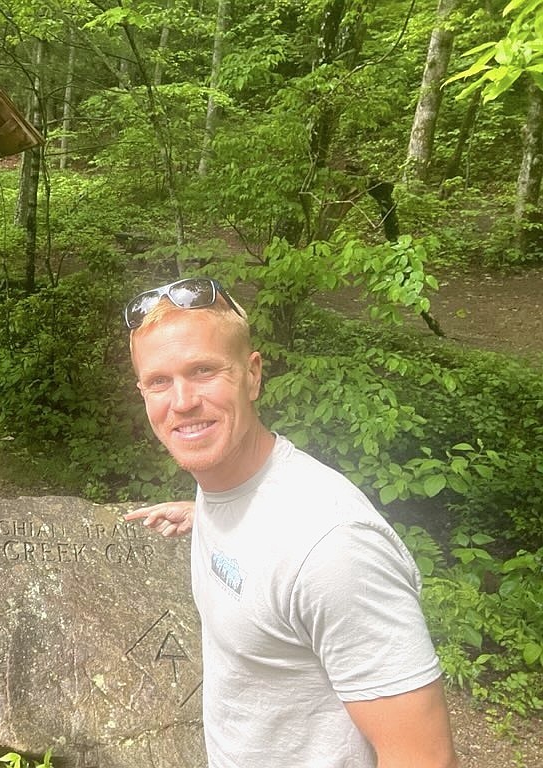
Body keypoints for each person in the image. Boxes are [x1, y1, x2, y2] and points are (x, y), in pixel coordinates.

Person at [122, 277, 459, 768]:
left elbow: (424, 757)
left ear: (252, 375)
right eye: (159, 381)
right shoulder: (228, 483)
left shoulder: (333, 549)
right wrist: (204, 515)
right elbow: (268, 542)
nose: (182, 402)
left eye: (203, 371)